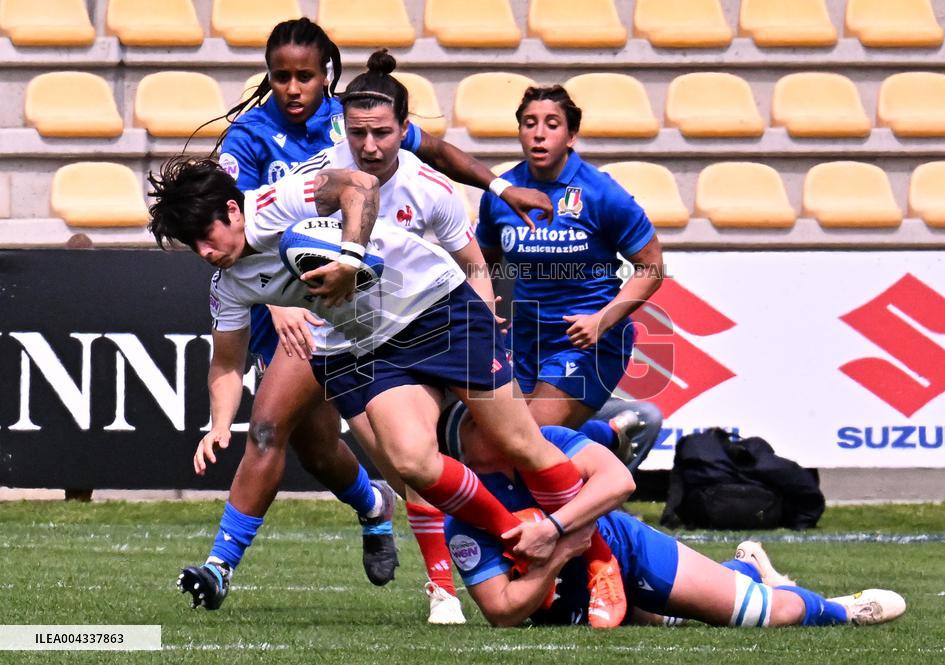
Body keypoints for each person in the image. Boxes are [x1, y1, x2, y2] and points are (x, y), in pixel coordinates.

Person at [147, 146, 630, 627]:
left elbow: (363, 187)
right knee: (410, 461)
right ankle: (516, 535)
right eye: (194, 246)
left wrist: (349, 259)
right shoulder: (228, 283)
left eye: (206, 236)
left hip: (440, 309)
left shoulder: (284, 199)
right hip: (376, 344)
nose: (206, 252)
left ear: (233, 210)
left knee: (516, 442)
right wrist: (218, 424)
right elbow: (226, 365)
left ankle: (600, 560)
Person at [188, 17, 551, 622]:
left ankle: (444, 581)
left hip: (384, 307)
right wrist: (278, 301)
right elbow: (235, 228)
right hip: (303, 313)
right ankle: (364, 510)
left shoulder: (355, 121)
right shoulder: (249, 137)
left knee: (402, 453)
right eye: (281, 77)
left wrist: (499, 186)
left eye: (305, 75)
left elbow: (428, 151)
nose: (293, 87)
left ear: (326, 74)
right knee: (300, 441)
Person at [438, 401, 907, 629]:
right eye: (485, 418)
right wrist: (558, 553)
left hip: (628, 554)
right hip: (569, 594)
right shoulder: (464, 512)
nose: (509, 420)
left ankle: (839, 609)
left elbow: (619, 481)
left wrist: (556, 527)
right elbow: (500, 613)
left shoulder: (548, 441)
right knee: (682, 616)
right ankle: (744, 568)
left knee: (763, 614)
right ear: (464, 441)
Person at [476, 85, 666, 465]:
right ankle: (610, 436)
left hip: (587, 342)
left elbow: (652, 267)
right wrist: (482, 308)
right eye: (529, 123)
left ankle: (604, 447)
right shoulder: (502, 194)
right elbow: (481, 262)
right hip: (525, 338)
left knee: (528, 443)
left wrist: (602, 320)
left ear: (571, 135)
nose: (539, 133)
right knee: (493, 447)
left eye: (551, 124)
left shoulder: (601, 193)